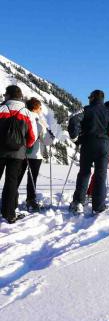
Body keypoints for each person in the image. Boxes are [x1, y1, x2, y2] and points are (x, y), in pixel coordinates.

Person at [68, 90, 109, 214]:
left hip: (88, 144)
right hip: (104, 146)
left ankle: (78, 202)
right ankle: (98, 206)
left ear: (92, 98)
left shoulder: (86, 109)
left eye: (89, 97)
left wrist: (75, 139)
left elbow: (73, 120)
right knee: (101, 175)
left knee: (84, 173)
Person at [0, 85, 37, 223]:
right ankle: (9, 214)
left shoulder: (1, 108)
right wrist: (25, 146)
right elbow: (32, 136)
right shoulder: (27, 113)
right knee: (11, 182)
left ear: (8, 95)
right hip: (18, 153)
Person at [17, 97, 55, 211]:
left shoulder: (22, 118)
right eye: (40, 107)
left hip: (20, 153)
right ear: (36, 108)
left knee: (17, 177)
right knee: (32, 178)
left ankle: (11, 198)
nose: (41, 109)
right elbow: (47, 140)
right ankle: (31, 200)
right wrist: (51, 136)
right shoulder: (38, 122)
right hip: (35, 154)